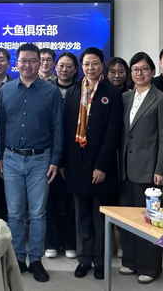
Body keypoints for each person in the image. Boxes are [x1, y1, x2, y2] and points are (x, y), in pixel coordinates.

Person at [0, 43, 63, 283]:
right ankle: (17, 258)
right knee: (14, 213)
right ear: (16, 63)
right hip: (11, 158)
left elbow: (57, 127)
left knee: (37, 213)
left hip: (40, 159)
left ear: (40, 63)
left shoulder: (51, 92)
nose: (28, 65)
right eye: (23, 60)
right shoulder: (5, 91)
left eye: (33, 60)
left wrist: (55, 159)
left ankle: (35, 259)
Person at [61, 47, 122, 281]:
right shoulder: (74, 91)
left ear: (102, 65)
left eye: (95, 63)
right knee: (82, 215)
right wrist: (64, 162)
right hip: (77, 164)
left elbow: (113, 133)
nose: (90, 68)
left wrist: (102, 166)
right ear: (81, 66)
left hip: (100, 165)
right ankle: (84, 259)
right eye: (86, 64)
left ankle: (99, 260)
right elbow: (67, 129)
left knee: (99, 216)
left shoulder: (111, 93)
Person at [118, 52, 163, 284]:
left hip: (149, 170)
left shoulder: (162, 99)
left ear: (152, 72)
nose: (139, 73)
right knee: (127, 218)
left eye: (144, 69)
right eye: (135, 70)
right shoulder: (124, 97)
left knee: (149, 220)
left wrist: (161, 169)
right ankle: (130, 261)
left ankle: (150, 267)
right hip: (124, 169)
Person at [45, 52, 79, 260]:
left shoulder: (81, 90)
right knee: (49, 200)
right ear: (55, 67)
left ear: (75, 70)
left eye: (69, 66)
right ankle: (51, 242)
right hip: (48, 154)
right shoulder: (47, 90)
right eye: (61, 65)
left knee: (70, 202)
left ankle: (70, 242)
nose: (64, 69)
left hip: (73, 155)